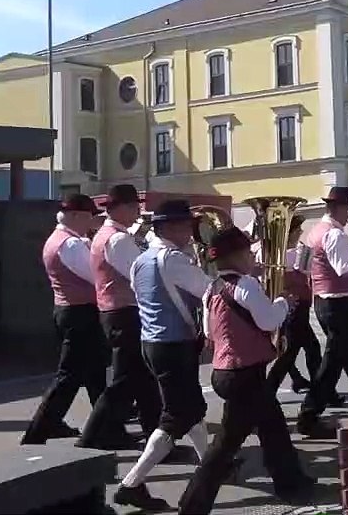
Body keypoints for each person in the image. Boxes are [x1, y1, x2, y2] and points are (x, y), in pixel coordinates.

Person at [175, 227, 312, 513]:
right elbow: (268, 321)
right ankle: (192, 504)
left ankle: (292, 482)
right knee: (226, 444)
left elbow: (209, 332)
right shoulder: (246, 285)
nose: (253, 257)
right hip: (243, 373)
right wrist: (284, 303)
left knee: (272, 427)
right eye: (248, 252)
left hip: (227, 369)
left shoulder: (212, 288)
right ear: (236, 256)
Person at [114, 200, 213, 512]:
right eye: (186, 226)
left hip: (153, 343)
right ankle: (131, 483)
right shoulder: (172, 260)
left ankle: (212, 463)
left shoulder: (141, 260)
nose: (190, 231)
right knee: (175, 416)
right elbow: (209, 290)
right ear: (169, 227)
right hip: (173, 345)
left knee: (192, 406)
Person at [22, 193, 108, 446]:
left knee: (93, 373)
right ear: (76, 216)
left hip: (73, 311)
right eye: (91, 217)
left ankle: (104, 426)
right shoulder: (69, 244)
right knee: (70, 376)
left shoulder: (64, 239)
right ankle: (38, 430)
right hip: (79, 313)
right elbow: (95, 276)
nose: (94, 222)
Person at [78, 184, 160, 451]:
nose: (138, 212)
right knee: (126, 380)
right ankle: (92, 435)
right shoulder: (118, 239)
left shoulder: (107, 234)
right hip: (124, 312)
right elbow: (140, 274)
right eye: (135, 207)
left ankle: (156, 438)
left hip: (116, 312)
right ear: (123, 207)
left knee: (142, 379)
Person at [298, 186, 348, 435]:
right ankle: (309, 415)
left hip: (325, 300)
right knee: (338, 360)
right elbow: (345, 268)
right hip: (338, 302)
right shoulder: (335, 235)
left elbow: (304, 266)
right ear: (340, 208)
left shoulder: (315, 232)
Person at [267, 215, 321, 395]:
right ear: (288, 233)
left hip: (298, 305)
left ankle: (309, 384)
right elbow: (303, 274)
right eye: (297, 231)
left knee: (304, 348)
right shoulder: (290, 254)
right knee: (293, 351)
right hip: (294, 305)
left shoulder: (289, 253)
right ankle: (269, 390)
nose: (301, 233)